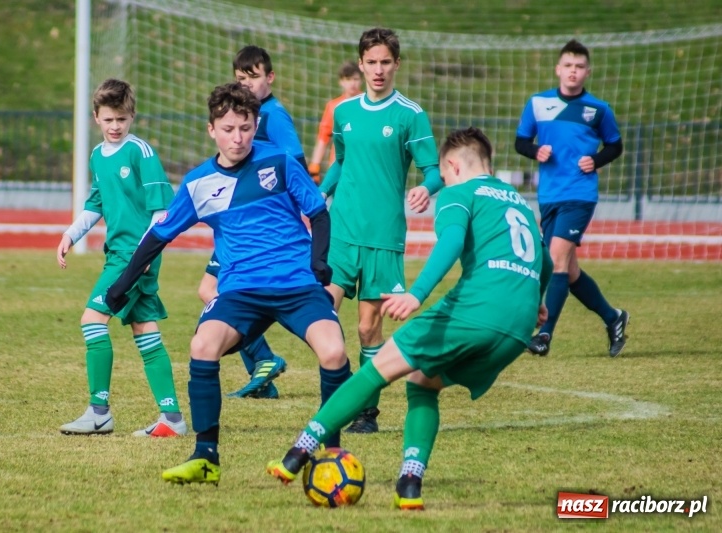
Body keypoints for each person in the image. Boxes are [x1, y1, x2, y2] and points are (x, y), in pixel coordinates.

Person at [268, 127, 553, 510]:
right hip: (517, 329)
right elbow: (546, 259)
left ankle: (296, 453)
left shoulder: (458, 193)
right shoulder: (519, 202)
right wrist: (537, 300)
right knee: (423, 381)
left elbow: (451, 243)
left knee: (377, 369)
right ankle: (409, 483)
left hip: (477, 309)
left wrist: (415, 294)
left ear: (452, 165)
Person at [105, 82, 351, 485]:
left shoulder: (281, 162)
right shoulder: (199, 183)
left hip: (296, 284)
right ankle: (206, 456)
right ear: (212, 130)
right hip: (240, 291)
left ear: (256, 126)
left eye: (246, 128)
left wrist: (318, 261)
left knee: (335, 352)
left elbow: (319, 214)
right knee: (202, 344)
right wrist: (120, 286)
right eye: (229, 128)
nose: (238, 137)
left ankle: (332, 454)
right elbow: (157, 237)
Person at [316, 27, 443, 433]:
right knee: (321, 311)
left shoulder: (410, 114)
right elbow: (340, 162)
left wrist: (426, 187)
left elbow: (435, 171)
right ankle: (334, 401)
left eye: (385, 62)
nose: (378, 70)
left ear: (396, 64)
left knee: (369, 327)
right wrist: (319, 195)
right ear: (360, 64)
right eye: (371, 62)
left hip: (383, 236)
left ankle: (367, 411)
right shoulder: (344, 112)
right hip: (341, 231)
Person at [56, 78, 186, 437]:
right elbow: (95, 204)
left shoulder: (140, 153)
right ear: (96, 117)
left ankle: (99, 411)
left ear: (132, 117)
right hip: (119, 253)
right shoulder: (98, 156)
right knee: (145, 330)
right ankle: (172, 418)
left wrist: (142, 258)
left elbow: (162, 214)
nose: (116, 127)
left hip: (134, 255)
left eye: (122, 120)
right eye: (109, 119)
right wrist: (70, 234)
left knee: (92, 320)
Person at [196, 45, 309, 400]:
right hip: (238, 222)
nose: (246, 85)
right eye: (240, 79)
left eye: (253, 78)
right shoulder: (245, 114)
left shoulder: (273, 116)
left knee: (224, 291)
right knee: (209, 290)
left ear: (269, 78)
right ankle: (263, 370)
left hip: (265, 227)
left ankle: (264, 359)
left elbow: (296, 162)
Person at [515, 39, 628, 358]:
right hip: (549, 195)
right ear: (558, 69)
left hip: (580, 194)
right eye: (568, 66)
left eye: (579, 67)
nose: (573, 72)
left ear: (587, 72)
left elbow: (615, 146)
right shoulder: (538, 103)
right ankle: (613, 317)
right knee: (568, 270)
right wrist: (536, 150)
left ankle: (544, 334)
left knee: (557, 260)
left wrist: (597, 160)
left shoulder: (598, 109)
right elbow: (521, 141)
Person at [307, 60, 363, 184]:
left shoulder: (370, 104)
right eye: (348, 79)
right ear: (341, 82)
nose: (352, 83)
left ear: (361, 80)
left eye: (355, 79)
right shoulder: (334, 107)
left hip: (363, 167)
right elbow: (323, 138)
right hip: (339, 168)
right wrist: (314, 166)